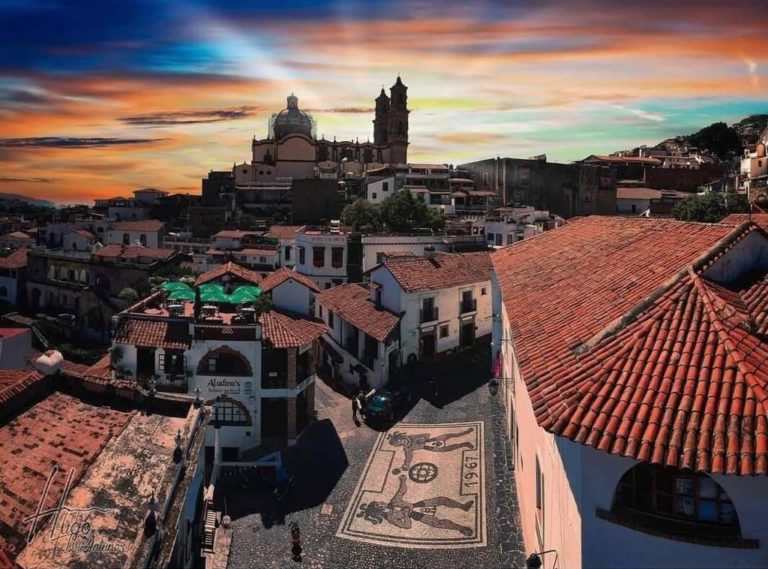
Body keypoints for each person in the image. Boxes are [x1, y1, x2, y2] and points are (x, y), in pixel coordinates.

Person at [357, 475, 474, 536]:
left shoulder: (393, 503)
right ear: (379, 509)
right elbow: (407, 526)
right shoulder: (390, 518)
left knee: (441, 499)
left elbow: (401, 491)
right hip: (416, 515)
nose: (382, 502)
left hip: (417, 505)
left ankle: (462, 506)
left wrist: (403, 481)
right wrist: (407, 515)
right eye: (380, 504)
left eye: (380, 502)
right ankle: (461, 528)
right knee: (438, 523)